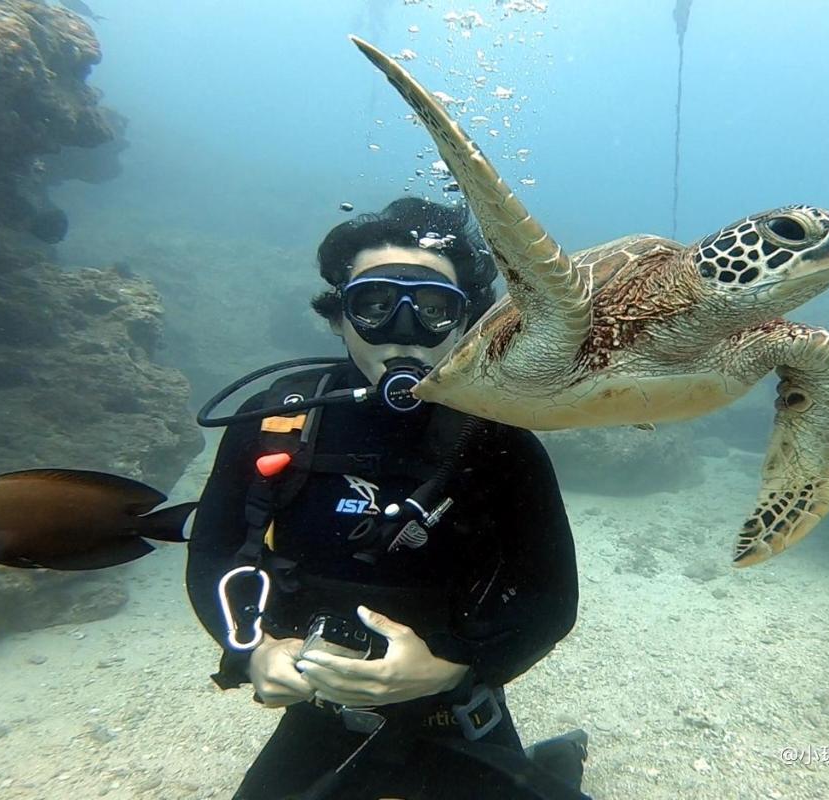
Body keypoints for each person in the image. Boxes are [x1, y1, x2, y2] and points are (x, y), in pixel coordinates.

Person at [186, 198, 590, 800]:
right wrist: (252, 651)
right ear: (338, 316)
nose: (404, 331)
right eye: (375, 305)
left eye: (432, 309)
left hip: (451, 706)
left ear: (464, 321)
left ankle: (557, 763)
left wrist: (453, 667)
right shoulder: (276, 421)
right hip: (321, 711)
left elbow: (550, 598)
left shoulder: (499, 437)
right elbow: (214, 553)